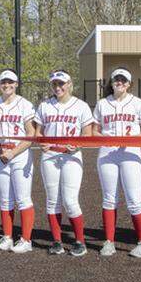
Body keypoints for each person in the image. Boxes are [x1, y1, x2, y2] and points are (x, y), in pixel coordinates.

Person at [34, 69, 96, 257]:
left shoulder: (81, 105)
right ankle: (57, 241)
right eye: (55, 84)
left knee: (70, 200)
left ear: (69, 84)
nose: (58, 87)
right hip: (50, 156)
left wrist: (77, 146)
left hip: (71, 156)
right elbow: (38, 133)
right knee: (52, 200)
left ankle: (80, 241)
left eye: (61, 83)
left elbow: (87, 134)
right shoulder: (45, 105)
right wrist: (42, 143)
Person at [93, 67, 141, 258]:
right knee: (109, 198)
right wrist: (105, 139)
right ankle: (109, 241)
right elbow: (94, 130)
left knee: (134, 200)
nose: (119, 82)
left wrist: (131, 139)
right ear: (111, 82)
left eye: (123, 80)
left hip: (130, 153)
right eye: (116, 79)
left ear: (129, 83)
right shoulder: (103, 103)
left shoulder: (137, 103)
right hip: (108, 153)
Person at [0, 69, 38, 253]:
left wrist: (13, 153)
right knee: (5, 199)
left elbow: (30, 134)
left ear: (16, 84)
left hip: (19, 154)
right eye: (3, 82)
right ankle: (7, 236)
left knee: (23, 199)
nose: (7, 85)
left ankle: (26, 240)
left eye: (10, 82)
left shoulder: (25, 104)